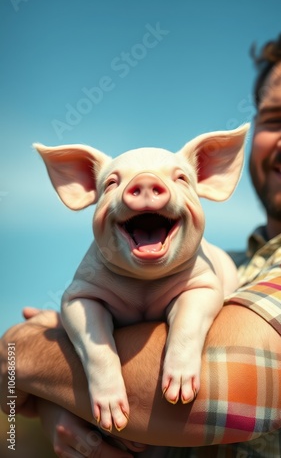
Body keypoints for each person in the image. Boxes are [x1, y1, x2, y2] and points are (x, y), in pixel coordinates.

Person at [1, 34, 281, 457]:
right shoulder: (242, 265)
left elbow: (239, 391)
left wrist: (29, 356)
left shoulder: (207, 272)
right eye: (276, 118)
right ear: (79, 185)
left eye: (180, 177)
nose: (146, 189)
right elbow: (79, 307)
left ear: (210, 169)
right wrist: (61, 408)